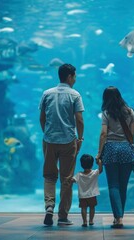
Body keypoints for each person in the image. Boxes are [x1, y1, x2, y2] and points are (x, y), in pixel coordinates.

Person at [39, 63, 84, 226]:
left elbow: (42, 118)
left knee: (49, 176)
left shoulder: (47, 93)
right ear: (70, 76)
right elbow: (79, 119)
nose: (76, 79)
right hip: (68, 141)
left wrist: (47, 133)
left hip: (49, 140)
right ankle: (63, 216)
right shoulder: (75, 95)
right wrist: (80, 139)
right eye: (75, 76)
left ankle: (49, 206)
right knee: (66, 179)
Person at [96, 86, 134, 229]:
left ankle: (118, 217)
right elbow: (131, 135)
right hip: (126, 149)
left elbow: (103, 134)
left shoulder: (106, 113)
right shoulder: (130, 111)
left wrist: (99, 152)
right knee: (123, 186)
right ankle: (119, 217)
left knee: (113, 185)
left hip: (111, 149)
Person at [71, 154, 103, 227]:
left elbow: (72, 180)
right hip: (92, 195)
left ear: (81, 164)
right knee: (92, 207)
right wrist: (100, 162)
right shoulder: (94, 173)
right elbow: (100, 170)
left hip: (82, 196)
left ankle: (84, 221)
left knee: (83, 208)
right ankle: (91, 221)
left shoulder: (79, 174)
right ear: (92, 164)